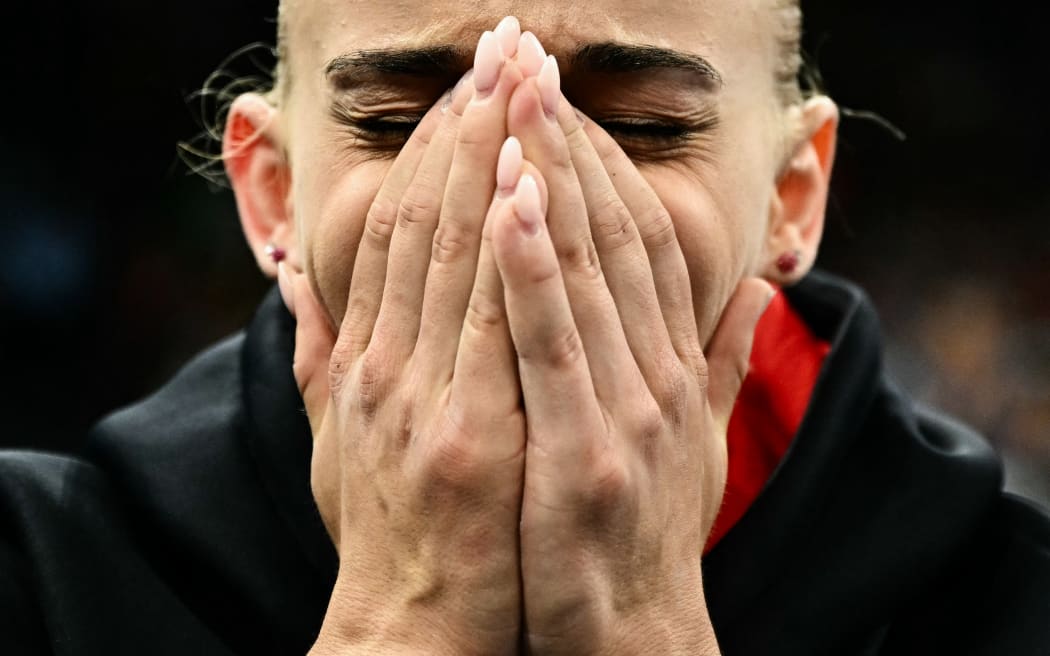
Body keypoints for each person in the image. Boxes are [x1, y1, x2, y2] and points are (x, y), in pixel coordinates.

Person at [1, 1, 1048, 654]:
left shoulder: (1007, 599)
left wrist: (642, 624)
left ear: (792, 199)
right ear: (271, 193)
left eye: (642, 126)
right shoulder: (42, 572)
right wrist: (404, 621)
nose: (519, 193)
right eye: (399, 124)